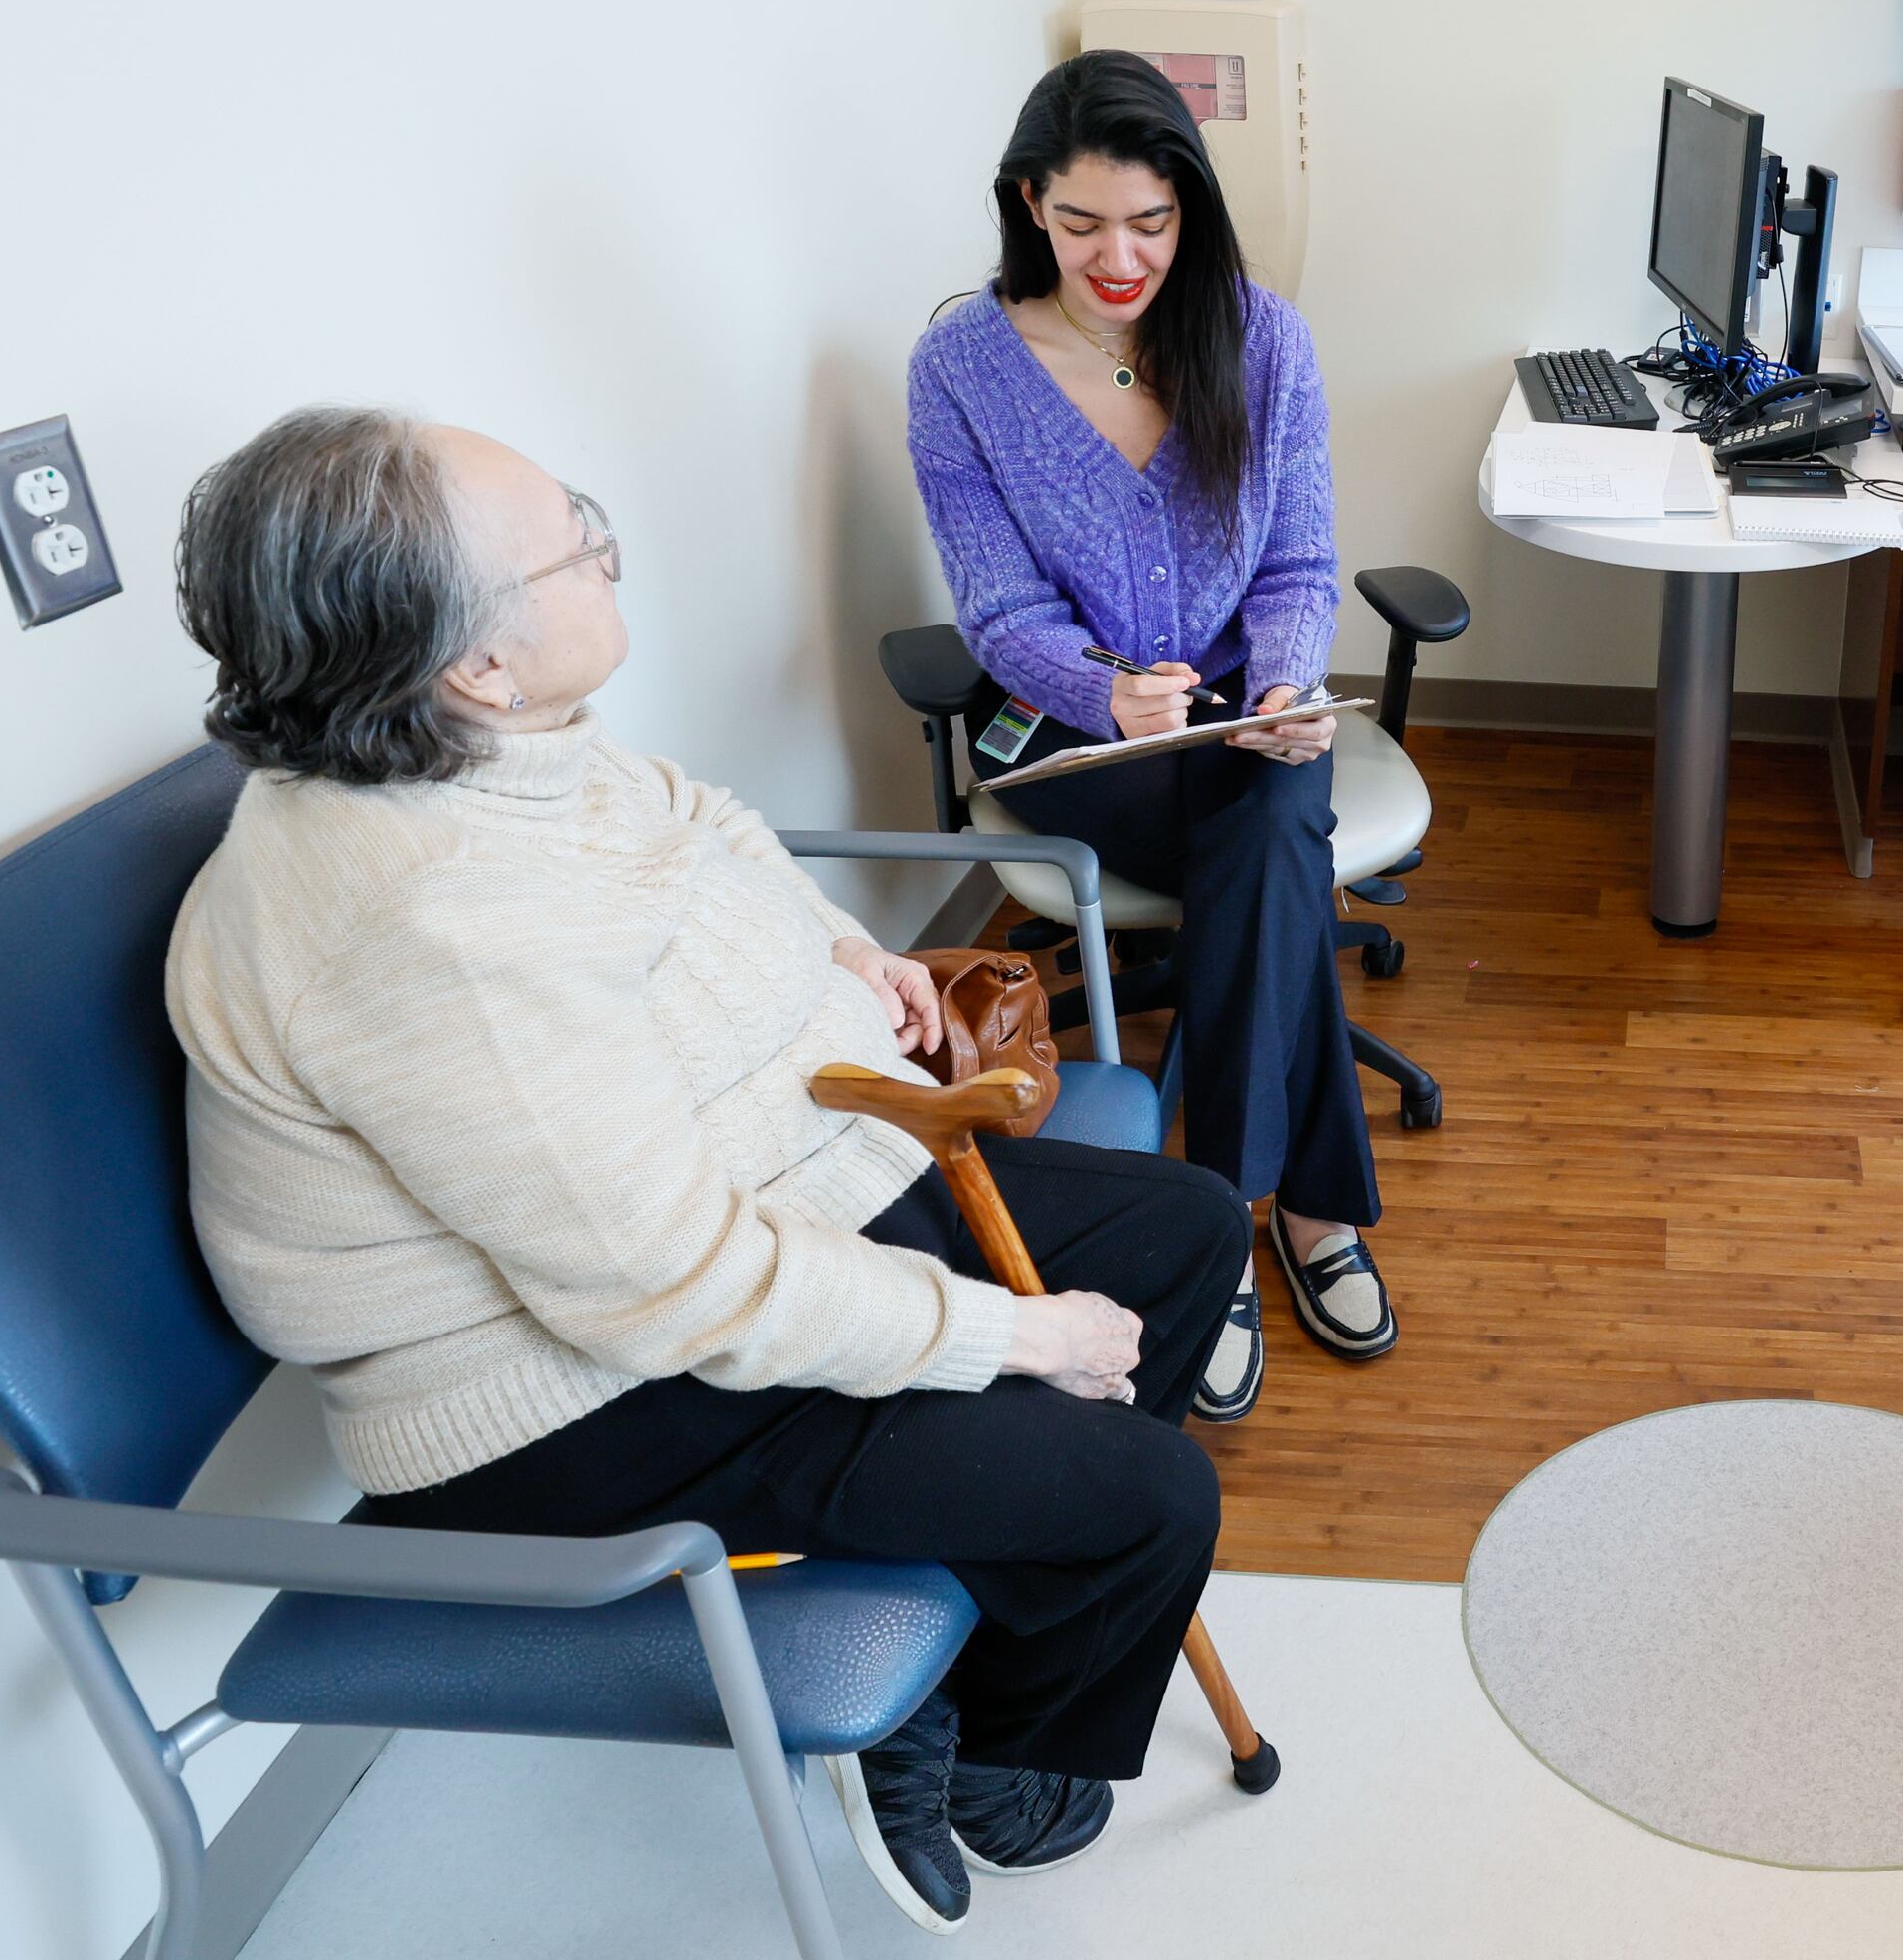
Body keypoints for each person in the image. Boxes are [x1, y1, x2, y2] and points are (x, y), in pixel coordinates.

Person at [164, 407, 1250, 1937]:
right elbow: (672, 1294)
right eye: (575, 540)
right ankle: (985, 1753)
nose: (610, 549)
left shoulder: (497, 745)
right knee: (1144, 1493)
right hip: (569, 1401)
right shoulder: (427, 932)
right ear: (474, 661)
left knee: (1188, 1229)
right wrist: (1018, 1340)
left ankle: (989, 1570)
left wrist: (849, 948)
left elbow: (697, 823)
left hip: (748, 1204)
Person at [908, 50, 1388, 1426]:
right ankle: (1304, 1213)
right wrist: (1101, 686)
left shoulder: (1264, 338)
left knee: (1271, 812)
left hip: (1243, 719)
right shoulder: (962, 366)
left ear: (1190, 204)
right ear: (1026, 205)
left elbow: (1300, 569)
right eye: (1081, 224)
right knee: (1278, 845)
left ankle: (1212, 1224)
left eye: (1152, 221)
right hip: (1073, 735)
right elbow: (993, 607)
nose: (1119, 257)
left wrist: (1288, 688)